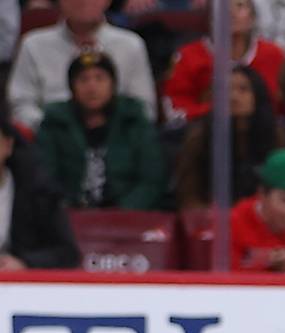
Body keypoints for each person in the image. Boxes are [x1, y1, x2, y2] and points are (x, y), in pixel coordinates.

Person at [37, 52, 166, 210]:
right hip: (70, 213)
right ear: (72, 87)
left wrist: (123, 211)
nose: (92, 87)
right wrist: (63, 209)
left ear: (113, 84)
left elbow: (152, 179)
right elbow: (45, 175)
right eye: (83, 79)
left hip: (126, 213)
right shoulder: (56, 120)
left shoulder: (133, 117)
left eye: (100, 78)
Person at [8, 0, 158, 131]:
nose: (84, 1)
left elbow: (146, 110)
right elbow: (20, 106)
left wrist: (108, 133)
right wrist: (55, 130)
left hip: (118, 143)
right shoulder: (33, 45)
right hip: (48, 142)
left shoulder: (131, 45)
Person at [176, 66, 285, 210]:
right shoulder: (200, 137)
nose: (233, 97)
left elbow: (282, 188)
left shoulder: (275, 136)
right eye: (226, 90)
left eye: (243, 89)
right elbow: (190, 194)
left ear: (257, 95)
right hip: (212, 215)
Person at [162, 0, 285, 126]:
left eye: (240, 6)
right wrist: (217, 111)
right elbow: (175, 109)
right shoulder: (188, 57)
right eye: (223, 7)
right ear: (211, 18)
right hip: (205, 132)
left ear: (252, 17)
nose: (231, 13)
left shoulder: (274, 55)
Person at [0, 121, 82, 270]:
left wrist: (25, 263)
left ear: (8, 145)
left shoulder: (37, 189)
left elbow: (67, 253)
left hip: (18, 280)